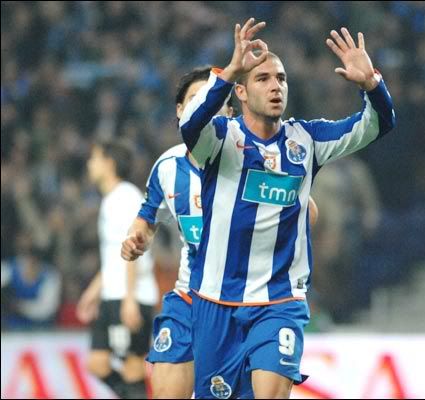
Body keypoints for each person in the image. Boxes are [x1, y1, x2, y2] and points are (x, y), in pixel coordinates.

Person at [179, 17, 394, 399]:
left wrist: (371, 85)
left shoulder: (307, 139)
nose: (275, 86)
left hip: (279, 302)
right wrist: (229, 71)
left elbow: (376, 125)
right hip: (215, 300)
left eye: (281, 78)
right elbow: (190, 125)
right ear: (242, 92)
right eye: (262, 79)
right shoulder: (221, 138)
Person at [121, 67, 319, 398]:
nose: (206, 108)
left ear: (229, 112)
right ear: (181, 112)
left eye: (214, 103)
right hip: (189, 297)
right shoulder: (168, 167)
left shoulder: (254, 158)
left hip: (244, 299)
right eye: (196, 101)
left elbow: (307, 212)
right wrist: (136, 239)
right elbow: (146, 220)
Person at [77, 139, 158, 399]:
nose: (90, 164)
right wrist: (93, 292)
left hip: (130, 296)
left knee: (132, 367)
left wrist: (130, 299)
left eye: (95, 159)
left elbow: (133, 249)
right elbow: (115, 255)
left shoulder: (126, 197)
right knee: (97, 362)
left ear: (109, 164)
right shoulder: (112, 199)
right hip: (114, 294)